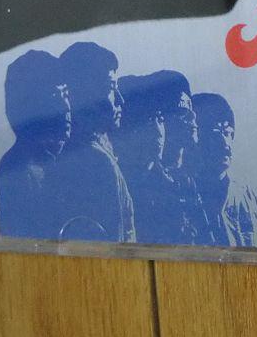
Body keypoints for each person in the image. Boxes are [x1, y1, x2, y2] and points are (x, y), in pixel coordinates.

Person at [56, 40, 135, 242]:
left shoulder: (87, 154)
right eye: (111, 87)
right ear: (86, 96)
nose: (120, 99)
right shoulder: (96, 162)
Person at [0, 50, 71, 239]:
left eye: (65, 94)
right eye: (54, 96)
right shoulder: (20, 173)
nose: (66, 106)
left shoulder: (55, 162)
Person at [191, 92, 257, 248]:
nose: (225, 143)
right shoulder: (182, 199)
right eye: (215, 134)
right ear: (195, 138)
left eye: (228, 133)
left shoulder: (254, 201)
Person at [112, 73, 178, 245]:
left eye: (160, 119)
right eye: (148, 120)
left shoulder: (170, 184)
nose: (158, 131)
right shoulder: (114, 180)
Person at [148, 70, 213, 245]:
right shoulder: (151, 180)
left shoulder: (187, 180)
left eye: (192, 109)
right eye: (183, 111)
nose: (192, 118)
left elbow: (207, 240)